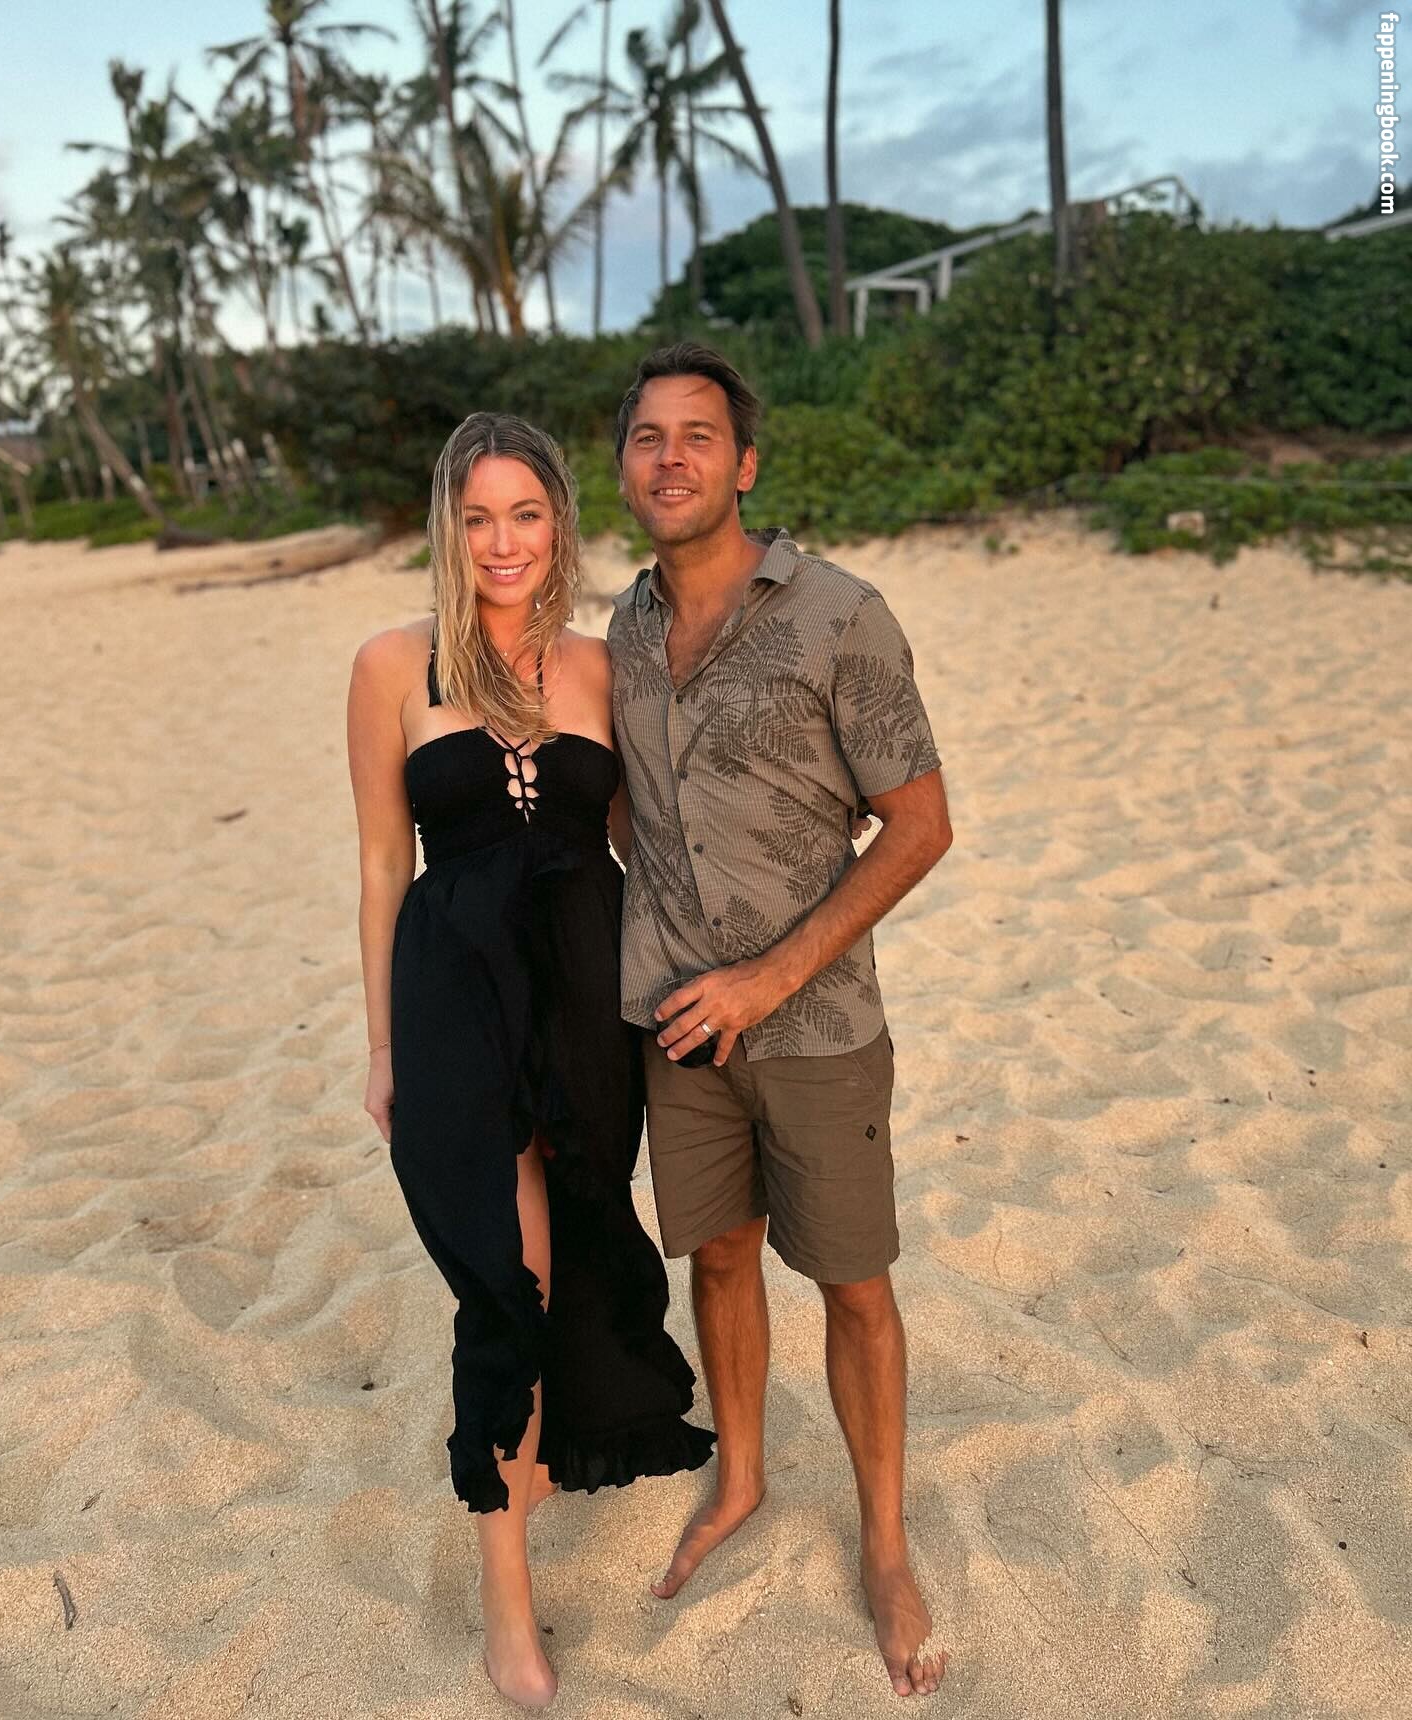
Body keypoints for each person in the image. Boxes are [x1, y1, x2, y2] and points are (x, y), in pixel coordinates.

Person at [347, 412, 714, 1710]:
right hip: (453, 1000)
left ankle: (544, 1454)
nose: (502, 542)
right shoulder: (391, 665)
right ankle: (507, 1597)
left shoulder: (604, 665)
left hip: (585, 1000)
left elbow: (647, 845)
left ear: (560, 522)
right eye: (477, 518)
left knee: (581, 1237)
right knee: (506, 1278)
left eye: (526, 514)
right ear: (447, 528)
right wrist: (381, 1043)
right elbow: (383, 864)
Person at [605, 344, 954, 1699]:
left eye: (699, 436)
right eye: (648, 437)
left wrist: (769, 974)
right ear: (624, 468)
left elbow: (919, 824)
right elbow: (627, 806)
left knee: (855, 1285)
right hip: (679, 1024)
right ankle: (743, 1475)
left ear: (744, 464)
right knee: (720, 1256)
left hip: (818, 1029)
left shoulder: (839, 614)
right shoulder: (623, 630)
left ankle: (885, 1542)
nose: (672, 457)